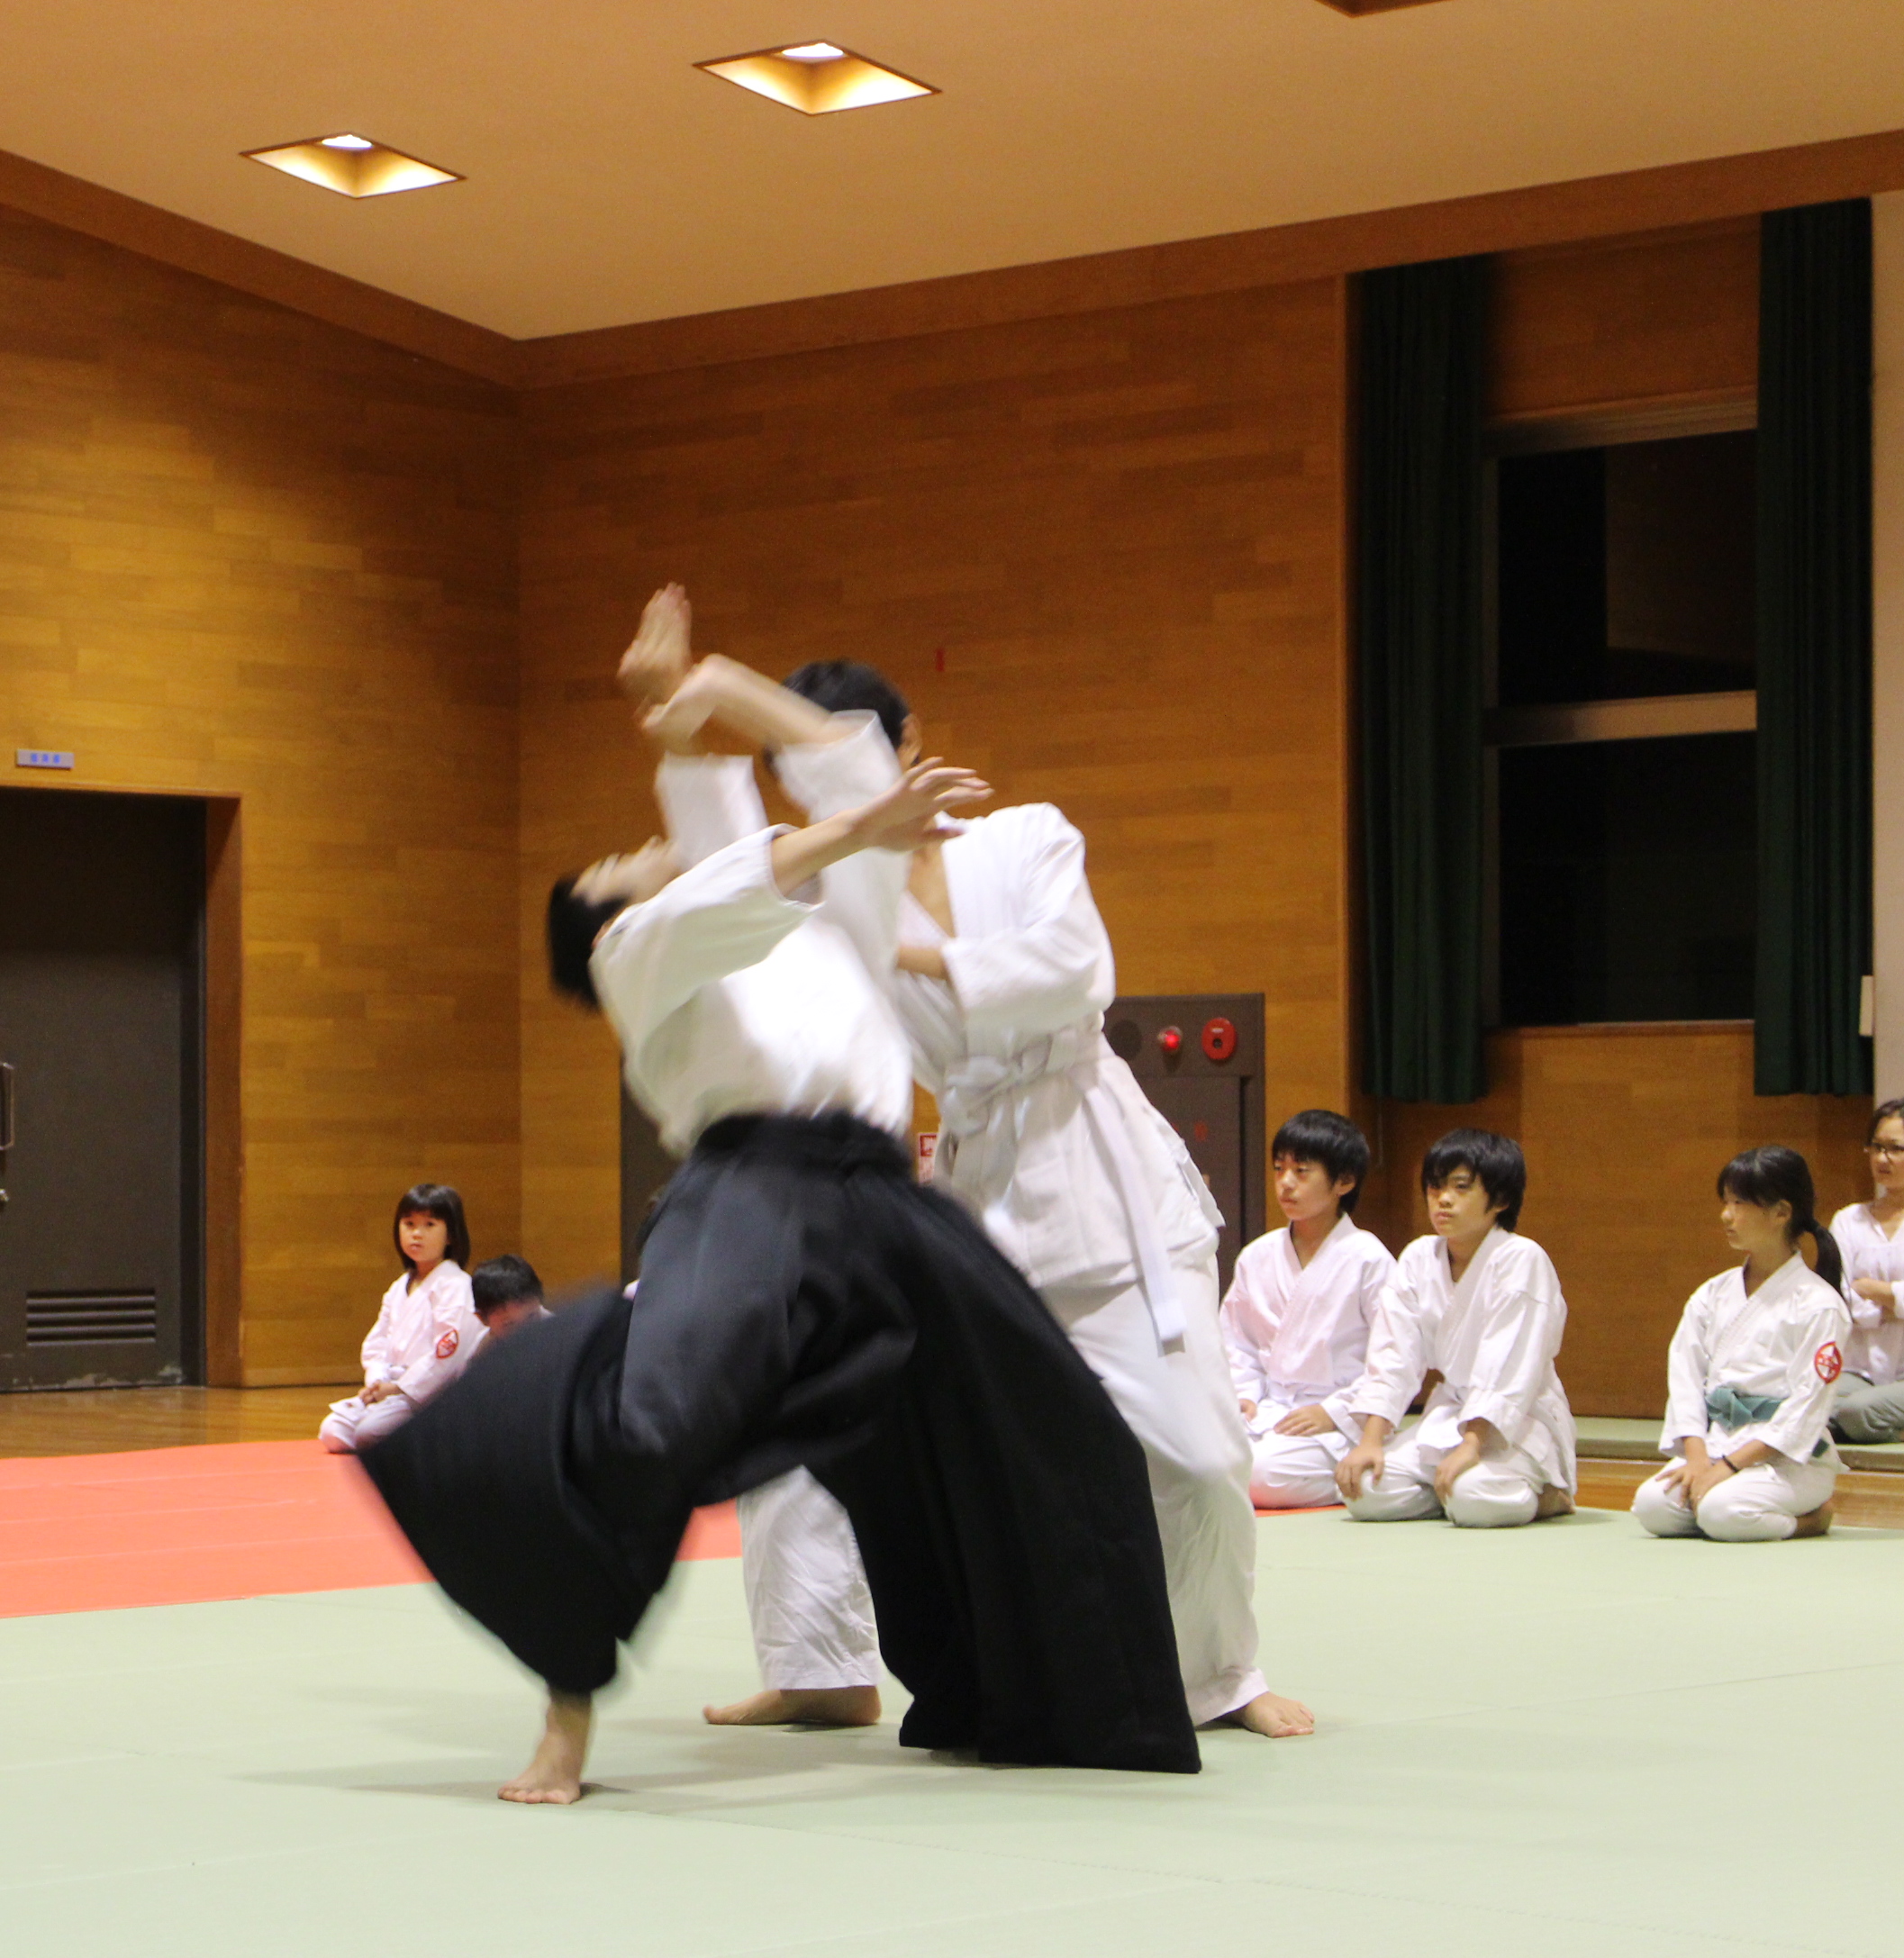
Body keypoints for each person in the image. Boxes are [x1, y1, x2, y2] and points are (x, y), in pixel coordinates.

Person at [366, 599, 1198, 1802]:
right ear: (602, 917)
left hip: (884, 1200)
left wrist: (692, 695)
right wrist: (833, 808)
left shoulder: (817, 919)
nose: (636, 850)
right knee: (650, 1427)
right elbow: (740, 872)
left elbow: (787, 793)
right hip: (751, 1196)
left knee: (1054, 1420)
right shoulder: (636, 955)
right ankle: (566, 1712)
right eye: (613, 866)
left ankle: (1039, 1697)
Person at [767, 628, 1309, 1738]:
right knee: (932, 1459)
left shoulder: (1024, 837)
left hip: (1103, 1174)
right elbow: (732, 888)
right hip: (980, 1199)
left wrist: (915, 956)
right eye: (810, 780)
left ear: (909, 744)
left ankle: (1219, 1676)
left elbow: (1076, 972)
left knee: (1203, 1456)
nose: (842, 792)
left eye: (853, 759)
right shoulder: (834, 906)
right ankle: (933, 1670)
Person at [1334, 1129, 1578, 1527]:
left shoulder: (1521, 1259)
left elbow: (1509, 1365)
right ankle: (1447, 1490)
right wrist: (1371, 1441)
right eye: (1435, 1186)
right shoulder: (1418, 1257)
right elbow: (1393, 1355)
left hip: (1517, 1420)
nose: (1443, 1199)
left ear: (1500, 1199)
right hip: (1452, 1413)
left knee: (1474, 1499)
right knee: (1364, 1490)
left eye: (1460, 1187)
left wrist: (1472, 1445)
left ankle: (1546, 1495)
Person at [1635, 1146, 1846, 1543]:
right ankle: (1720, 1501)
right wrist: (1697, 1460)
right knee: (1652, 1506)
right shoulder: (1712, 1294)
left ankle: (1811, 1520)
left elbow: (1806, 1406)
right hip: (1718, 1444)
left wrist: (1728, 1468)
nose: (1726, 1215)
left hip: (1790, 1461)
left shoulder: (1819, 1304)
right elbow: (1685, 1379)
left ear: (1781, 1213)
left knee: (1723, 1511)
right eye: (1726, 1202)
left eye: (1739, 1203)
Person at [1222, 1110, 1395, 1509]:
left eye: (1301, 1171)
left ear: (1344, 1182)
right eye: (1279, 1168)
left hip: (1337, 1419)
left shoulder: (1369, 1259)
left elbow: (1393, 1357)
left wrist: (1333, 1412)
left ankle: (1349, 1477)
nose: (1286, 1182)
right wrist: (1243, 1395)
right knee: (1192, 1453)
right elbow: (1235, 1343)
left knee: (1260, 1473)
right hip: (1266, 1410)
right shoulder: (1258, 1256)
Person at [319, 1185, 480, 1455]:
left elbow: (447, 1354)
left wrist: (399, 1389)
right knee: (332, 1431)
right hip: (390, 1387)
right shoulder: (399, 1286)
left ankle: (436, 1434)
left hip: (428, 1393)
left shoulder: (456, 1285)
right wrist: (377, 1383)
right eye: (409, 1224)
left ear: (451, 1235)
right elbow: (377, 1342)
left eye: (429, 1225)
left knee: (369, 1433)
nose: (417, 1233)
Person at [1829, 1097, 1904, 1444]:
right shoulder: (1848, 1220)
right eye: (1876, 1147)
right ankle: (1879, 1428)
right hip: (1864, 1372)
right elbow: (1839, 1296)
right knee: (1806, 1404)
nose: (1882, 1158)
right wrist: (1897, 1303)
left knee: (1857, 1412)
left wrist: (1873, 1290)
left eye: (1896, 1149)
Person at [469, 1255, 548, 1339]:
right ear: (482, 1319)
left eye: (531, 1317)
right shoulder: (484, 1345)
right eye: (509, 1324)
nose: (526, 1331)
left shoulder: (556, 1335)